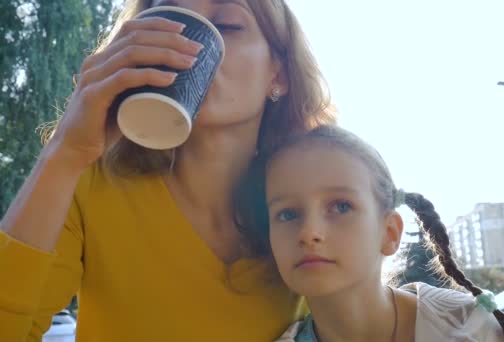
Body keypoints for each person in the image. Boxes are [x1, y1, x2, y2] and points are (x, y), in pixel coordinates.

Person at [0, 0, 335, 340]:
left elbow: (369, 319)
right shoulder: (91, 183)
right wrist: (63, 153)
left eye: (229, 26)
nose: (189, 47)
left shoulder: (312, 208)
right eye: (169, 22)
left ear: (278, 73)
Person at [234, 125, 504, 341]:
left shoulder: (468, 329)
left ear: (390, 232)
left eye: (341, 207)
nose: (309, 232)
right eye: (287, 214)